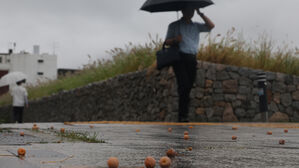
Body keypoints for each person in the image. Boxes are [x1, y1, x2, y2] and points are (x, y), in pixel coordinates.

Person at [165, 7, 215, 122]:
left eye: (192, 10)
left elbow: (211, 26)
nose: (190, 13)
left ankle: (184, 114)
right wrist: (175, 40)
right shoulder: (174, 25)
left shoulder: (196, 26)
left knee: (188, 86)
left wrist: (200, 13)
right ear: (182, 11)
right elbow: (166, 42)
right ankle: (183, 116)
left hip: (192, 59)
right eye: (188, 10)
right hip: (179, 57)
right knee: (183, 84)